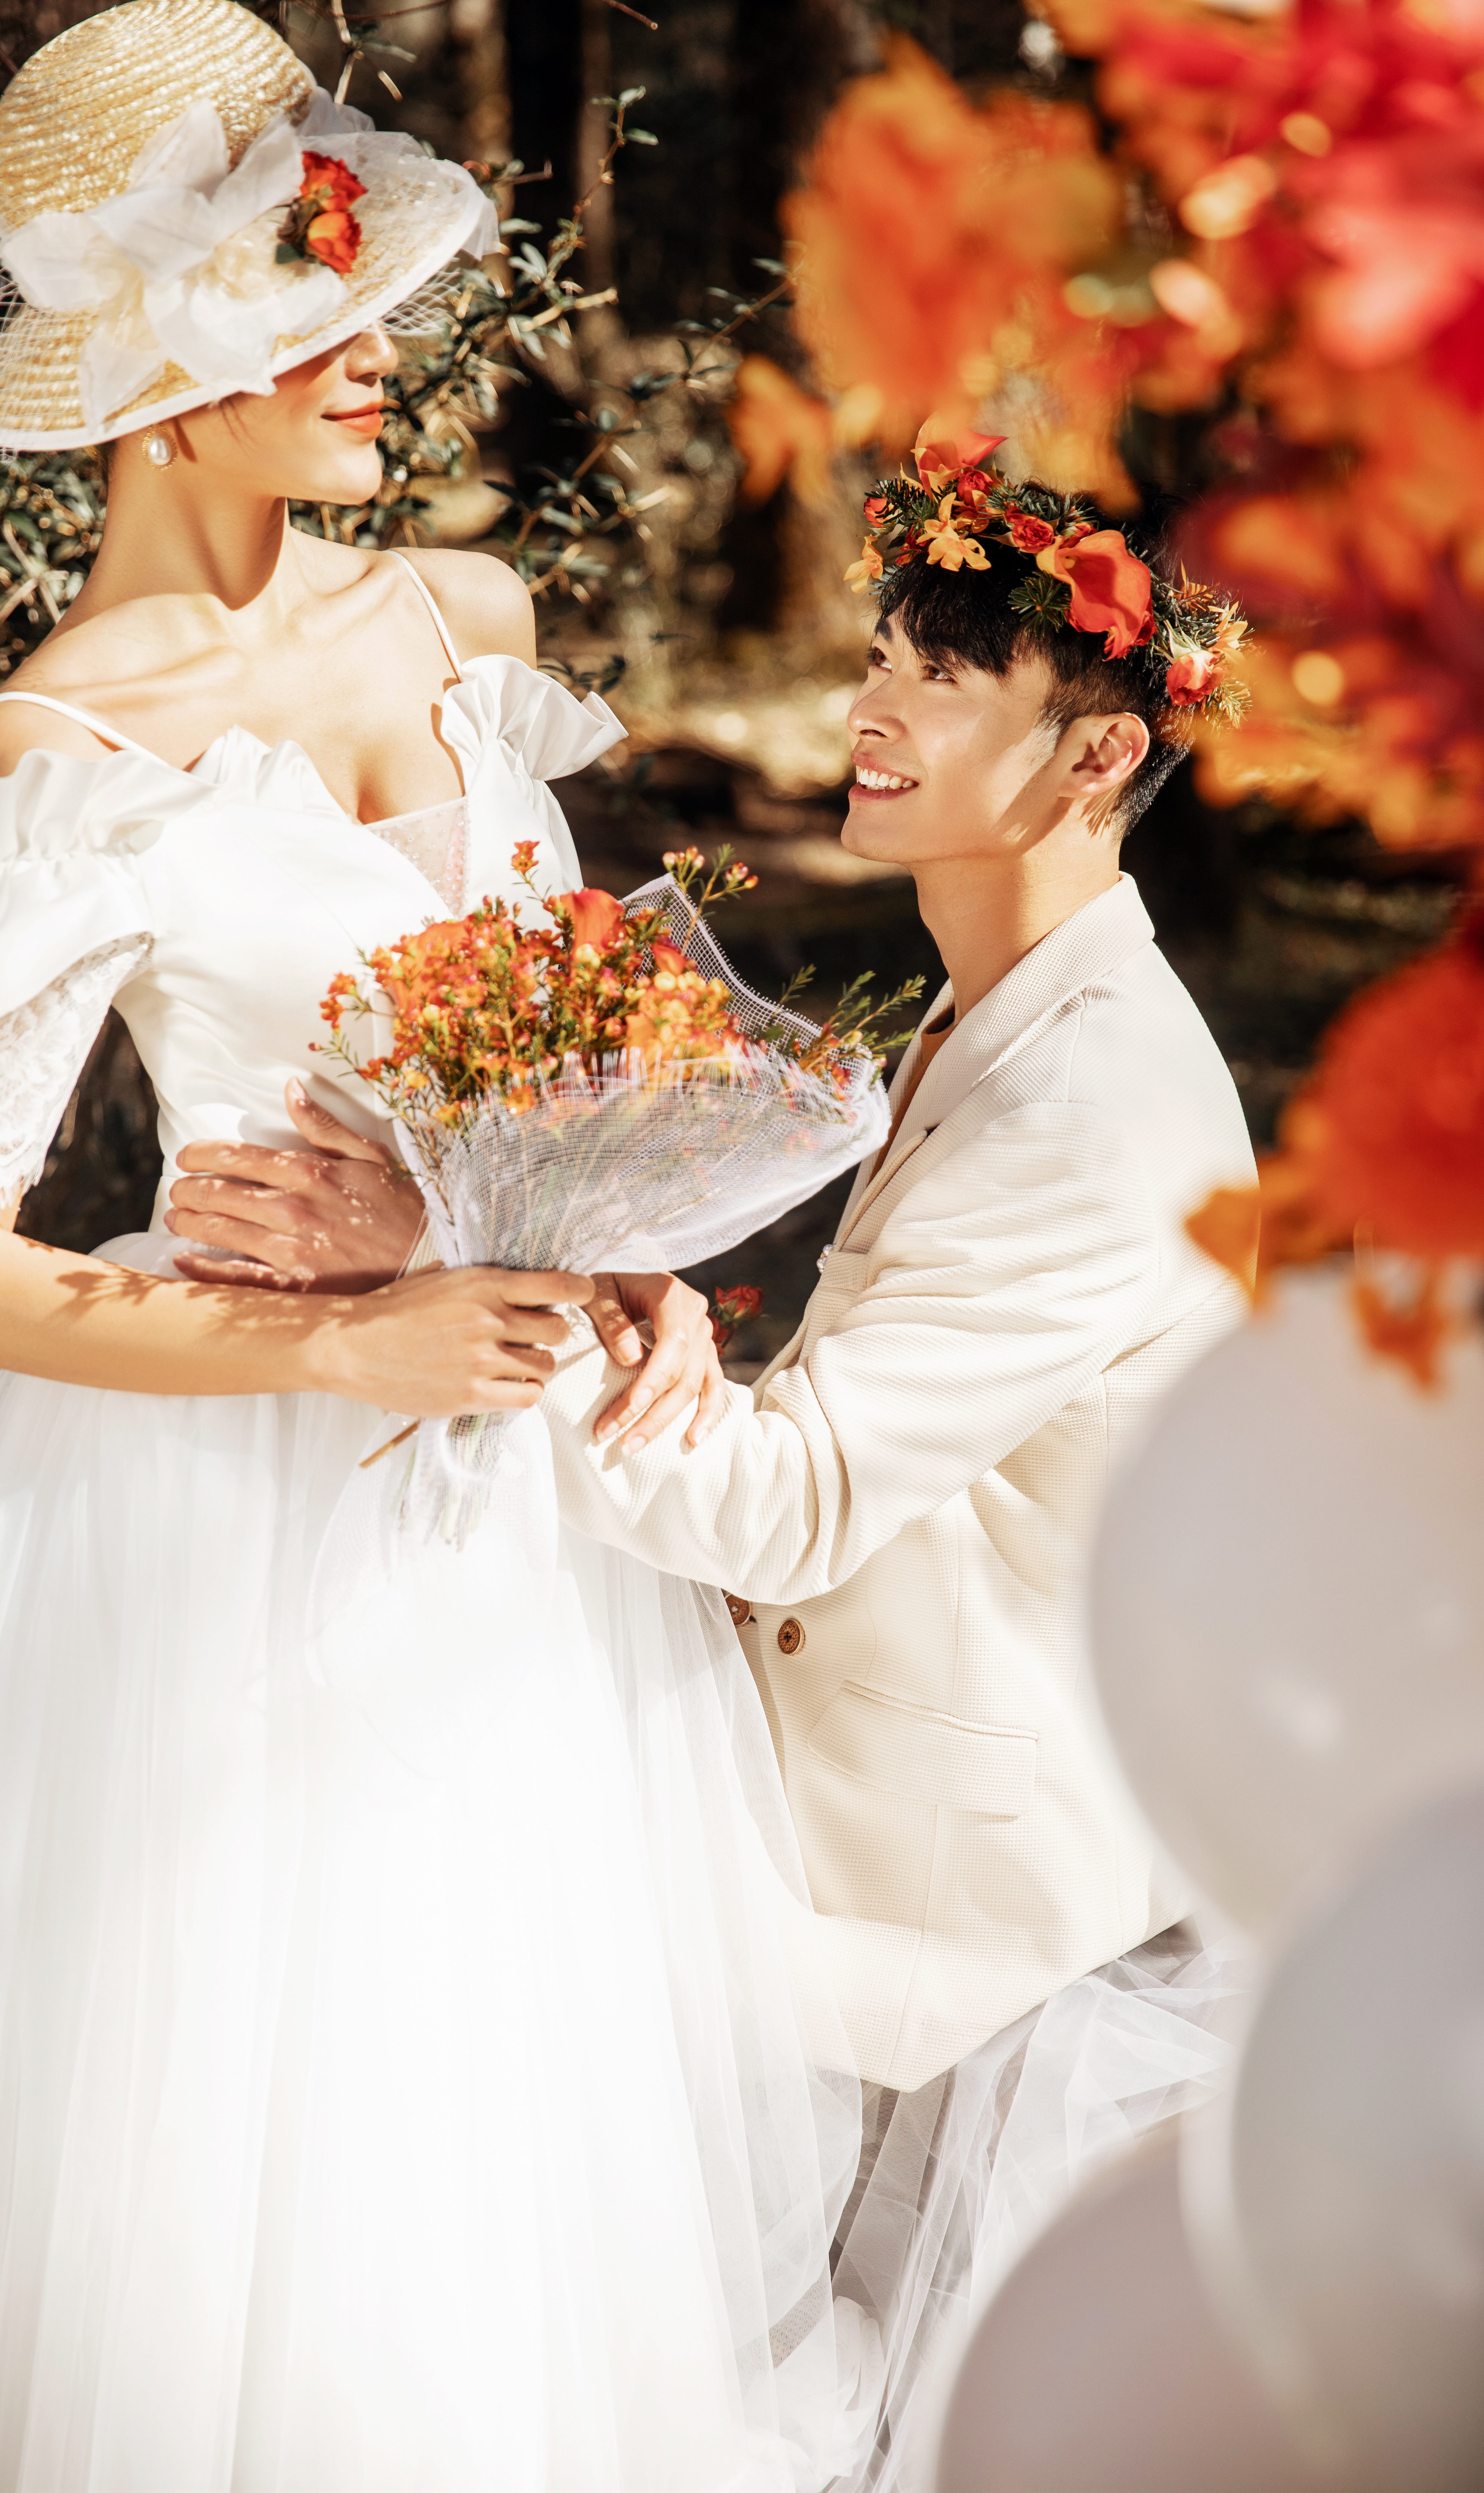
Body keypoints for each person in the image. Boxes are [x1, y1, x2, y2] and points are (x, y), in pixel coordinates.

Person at [0, 4, 873, 2482]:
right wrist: (333, 1351)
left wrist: (610, 1253)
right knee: (244, 2161)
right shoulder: (58, 755)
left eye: (372, 288)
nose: (386, 344)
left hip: (516, 1510)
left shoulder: (466, 625)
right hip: (210, 1541)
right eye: (317, 304)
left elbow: (561, 1066)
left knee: (508, 2150)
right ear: (166, 382)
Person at [197, 447, 1258, 2478]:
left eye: (944, 679)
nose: (873, 709)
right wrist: (646, 1312)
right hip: (860, 1825)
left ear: (1099, 752)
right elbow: (900, 1434)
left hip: (940, 1935)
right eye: (882, 656)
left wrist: (466, 1275)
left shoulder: (1094, 1102)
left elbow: (799, 1505)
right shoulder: (1001, 1018)